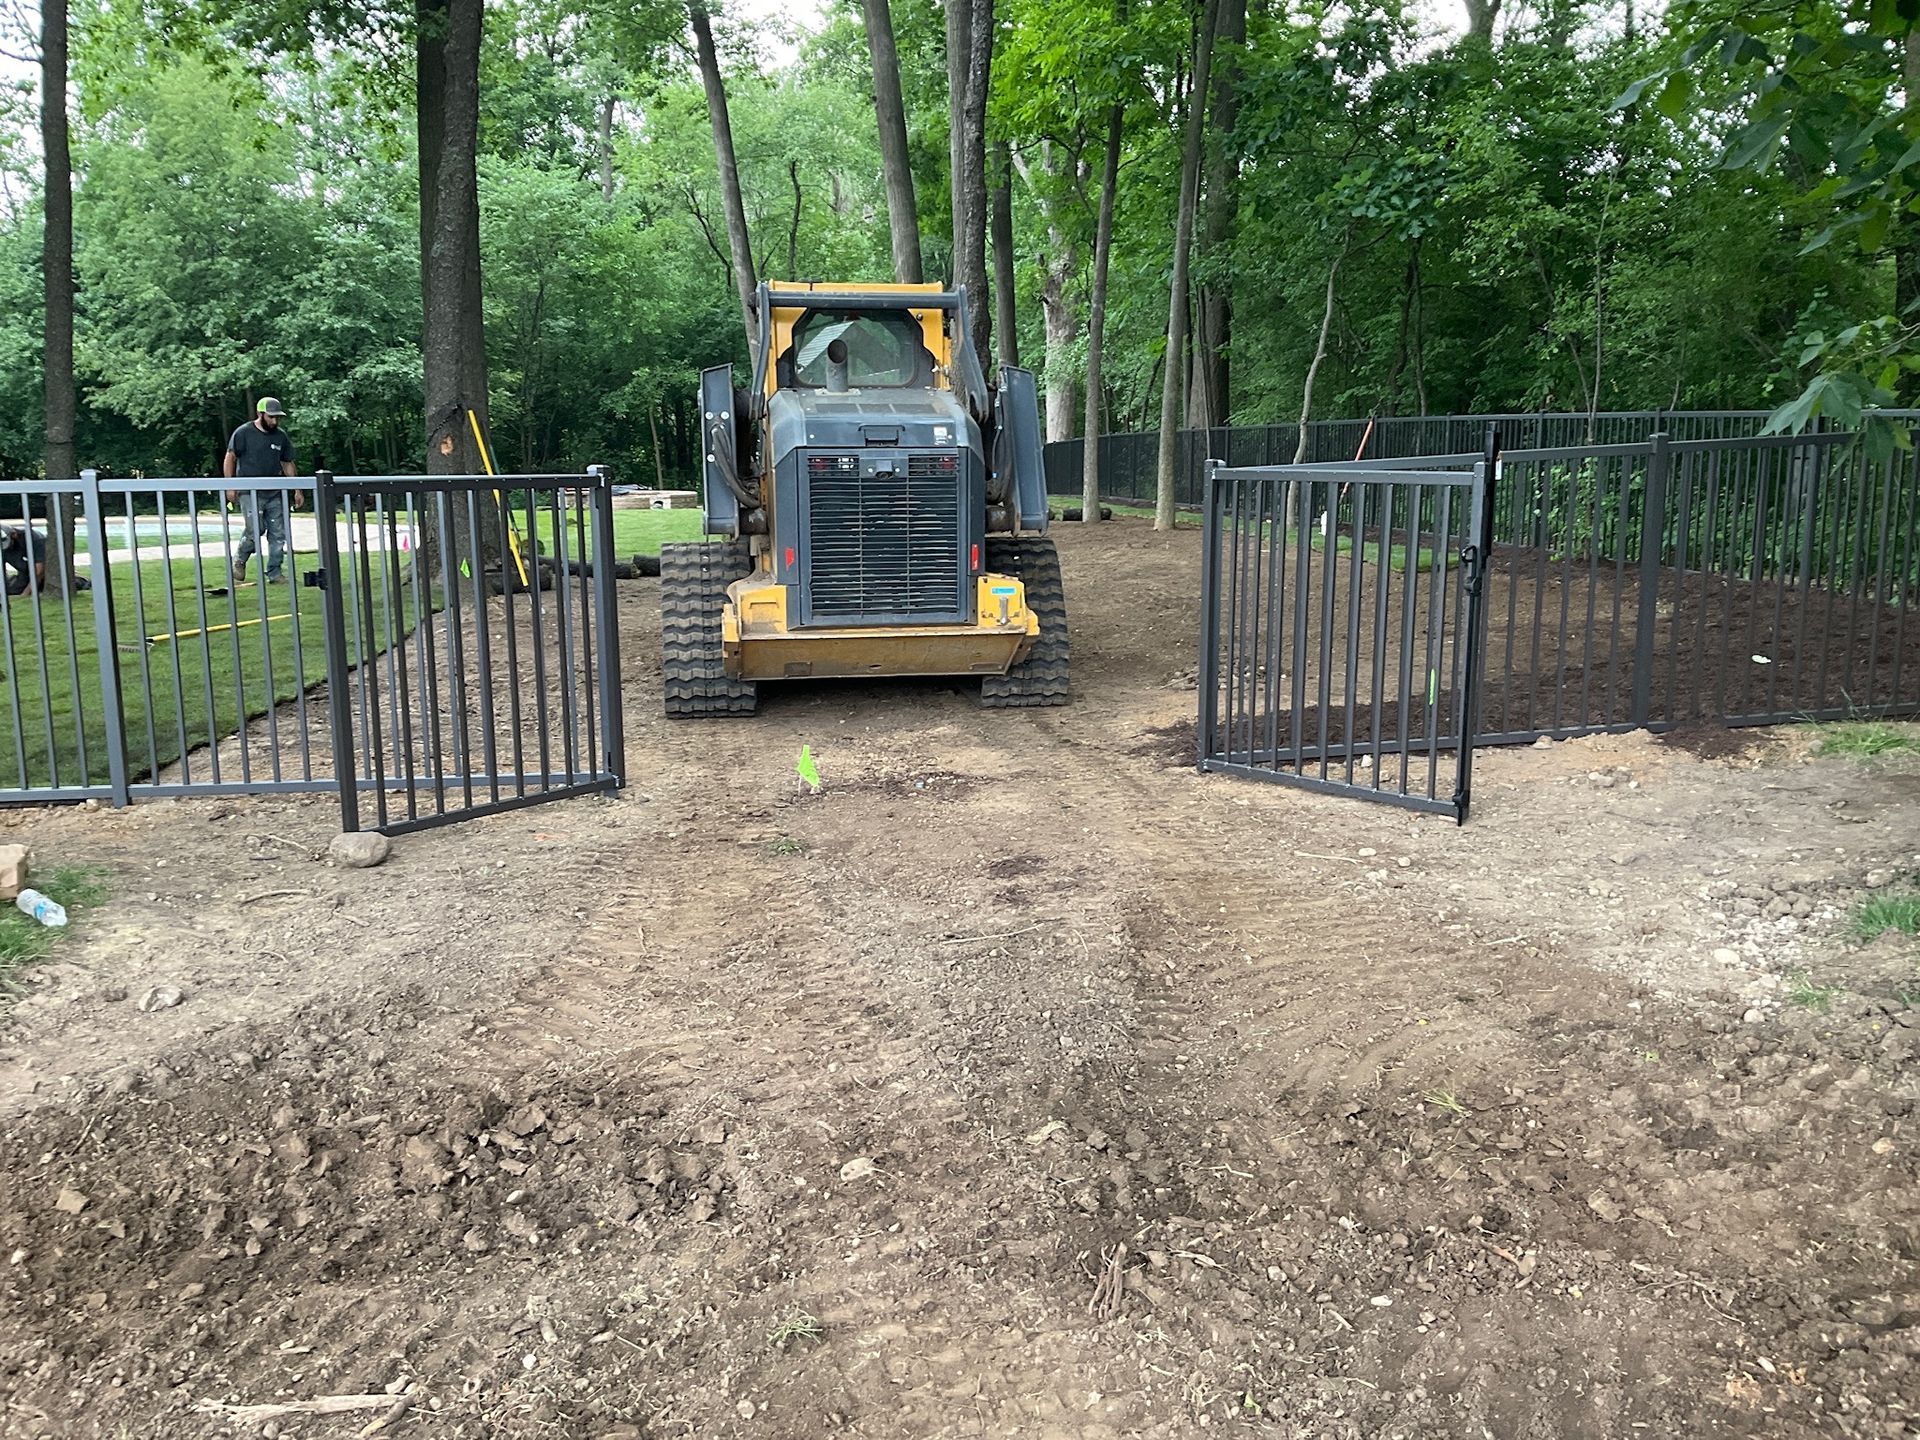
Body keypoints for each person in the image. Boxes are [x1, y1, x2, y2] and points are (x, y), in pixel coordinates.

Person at [224, 397, 303, 584]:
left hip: (275, 492)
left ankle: (275, 573)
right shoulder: (243, 433)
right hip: (249, 491)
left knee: (278, 533)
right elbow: (230, 457)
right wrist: (230, 485)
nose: (274, 421)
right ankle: (240, 559)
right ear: (260, 414)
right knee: (255, 529)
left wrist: (297, 490)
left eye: (277, 418)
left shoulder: (280, 436)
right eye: (271, 417)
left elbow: (287, 462)